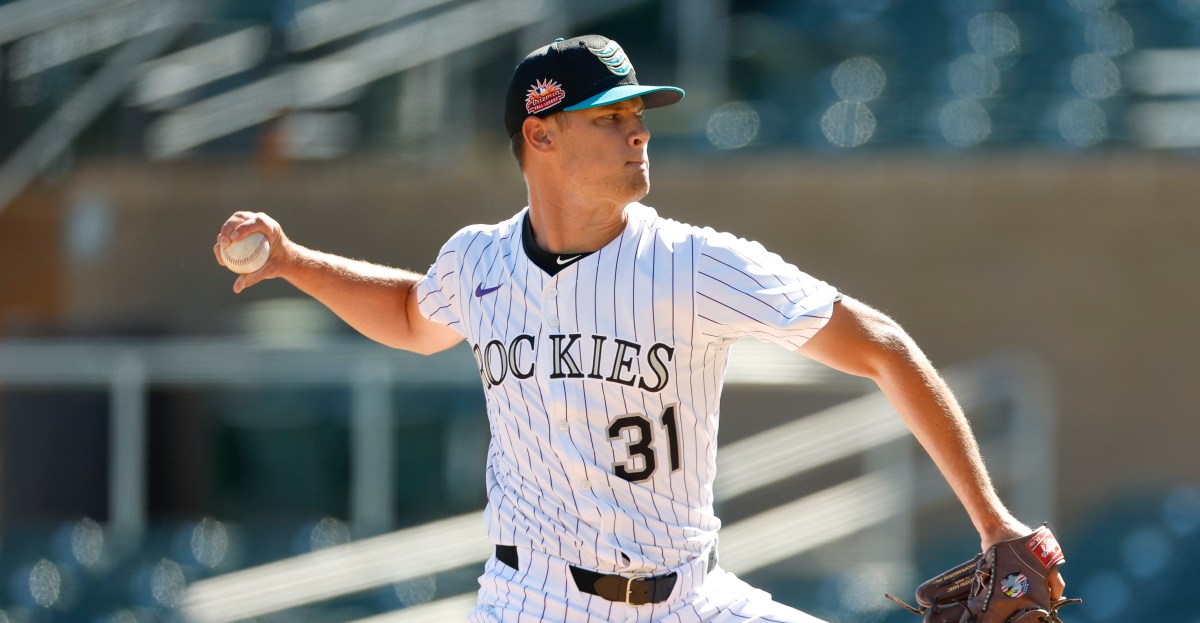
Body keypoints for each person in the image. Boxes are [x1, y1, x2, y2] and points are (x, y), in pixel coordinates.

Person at [214, 34, 1064, 623]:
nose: (636, 128)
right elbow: (409, 315)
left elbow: (878, 345)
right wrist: (290, 260)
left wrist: (992, 521)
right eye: (608, 117)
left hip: (691, 596)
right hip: (534, 600)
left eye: (637, 112)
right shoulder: (476, 263)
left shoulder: (697, 264)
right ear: (540, 134)